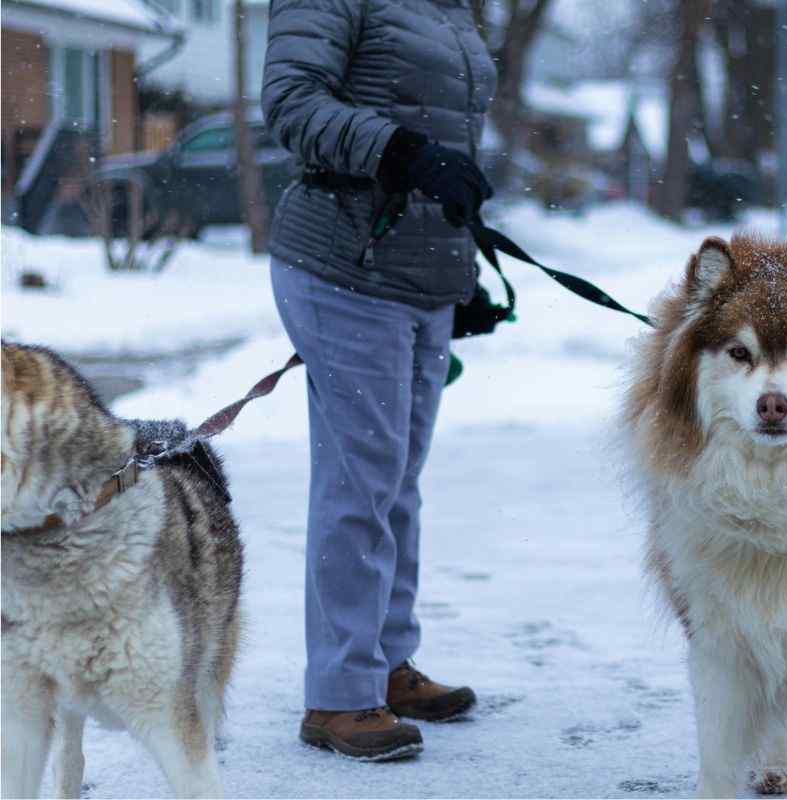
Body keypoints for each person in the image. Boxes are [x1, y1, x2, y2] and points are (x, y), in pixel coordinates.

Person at [260, 0, 496, 761]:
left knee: (396, 480)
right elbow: (291, 102)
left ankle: (385, 663)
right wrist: (403, 152)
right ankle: (338, 692)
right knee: (360, 480)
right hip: (344, 263)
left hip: (421, 274)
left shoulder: (449, 9)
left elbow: (446, 143)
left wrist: (460, 269)